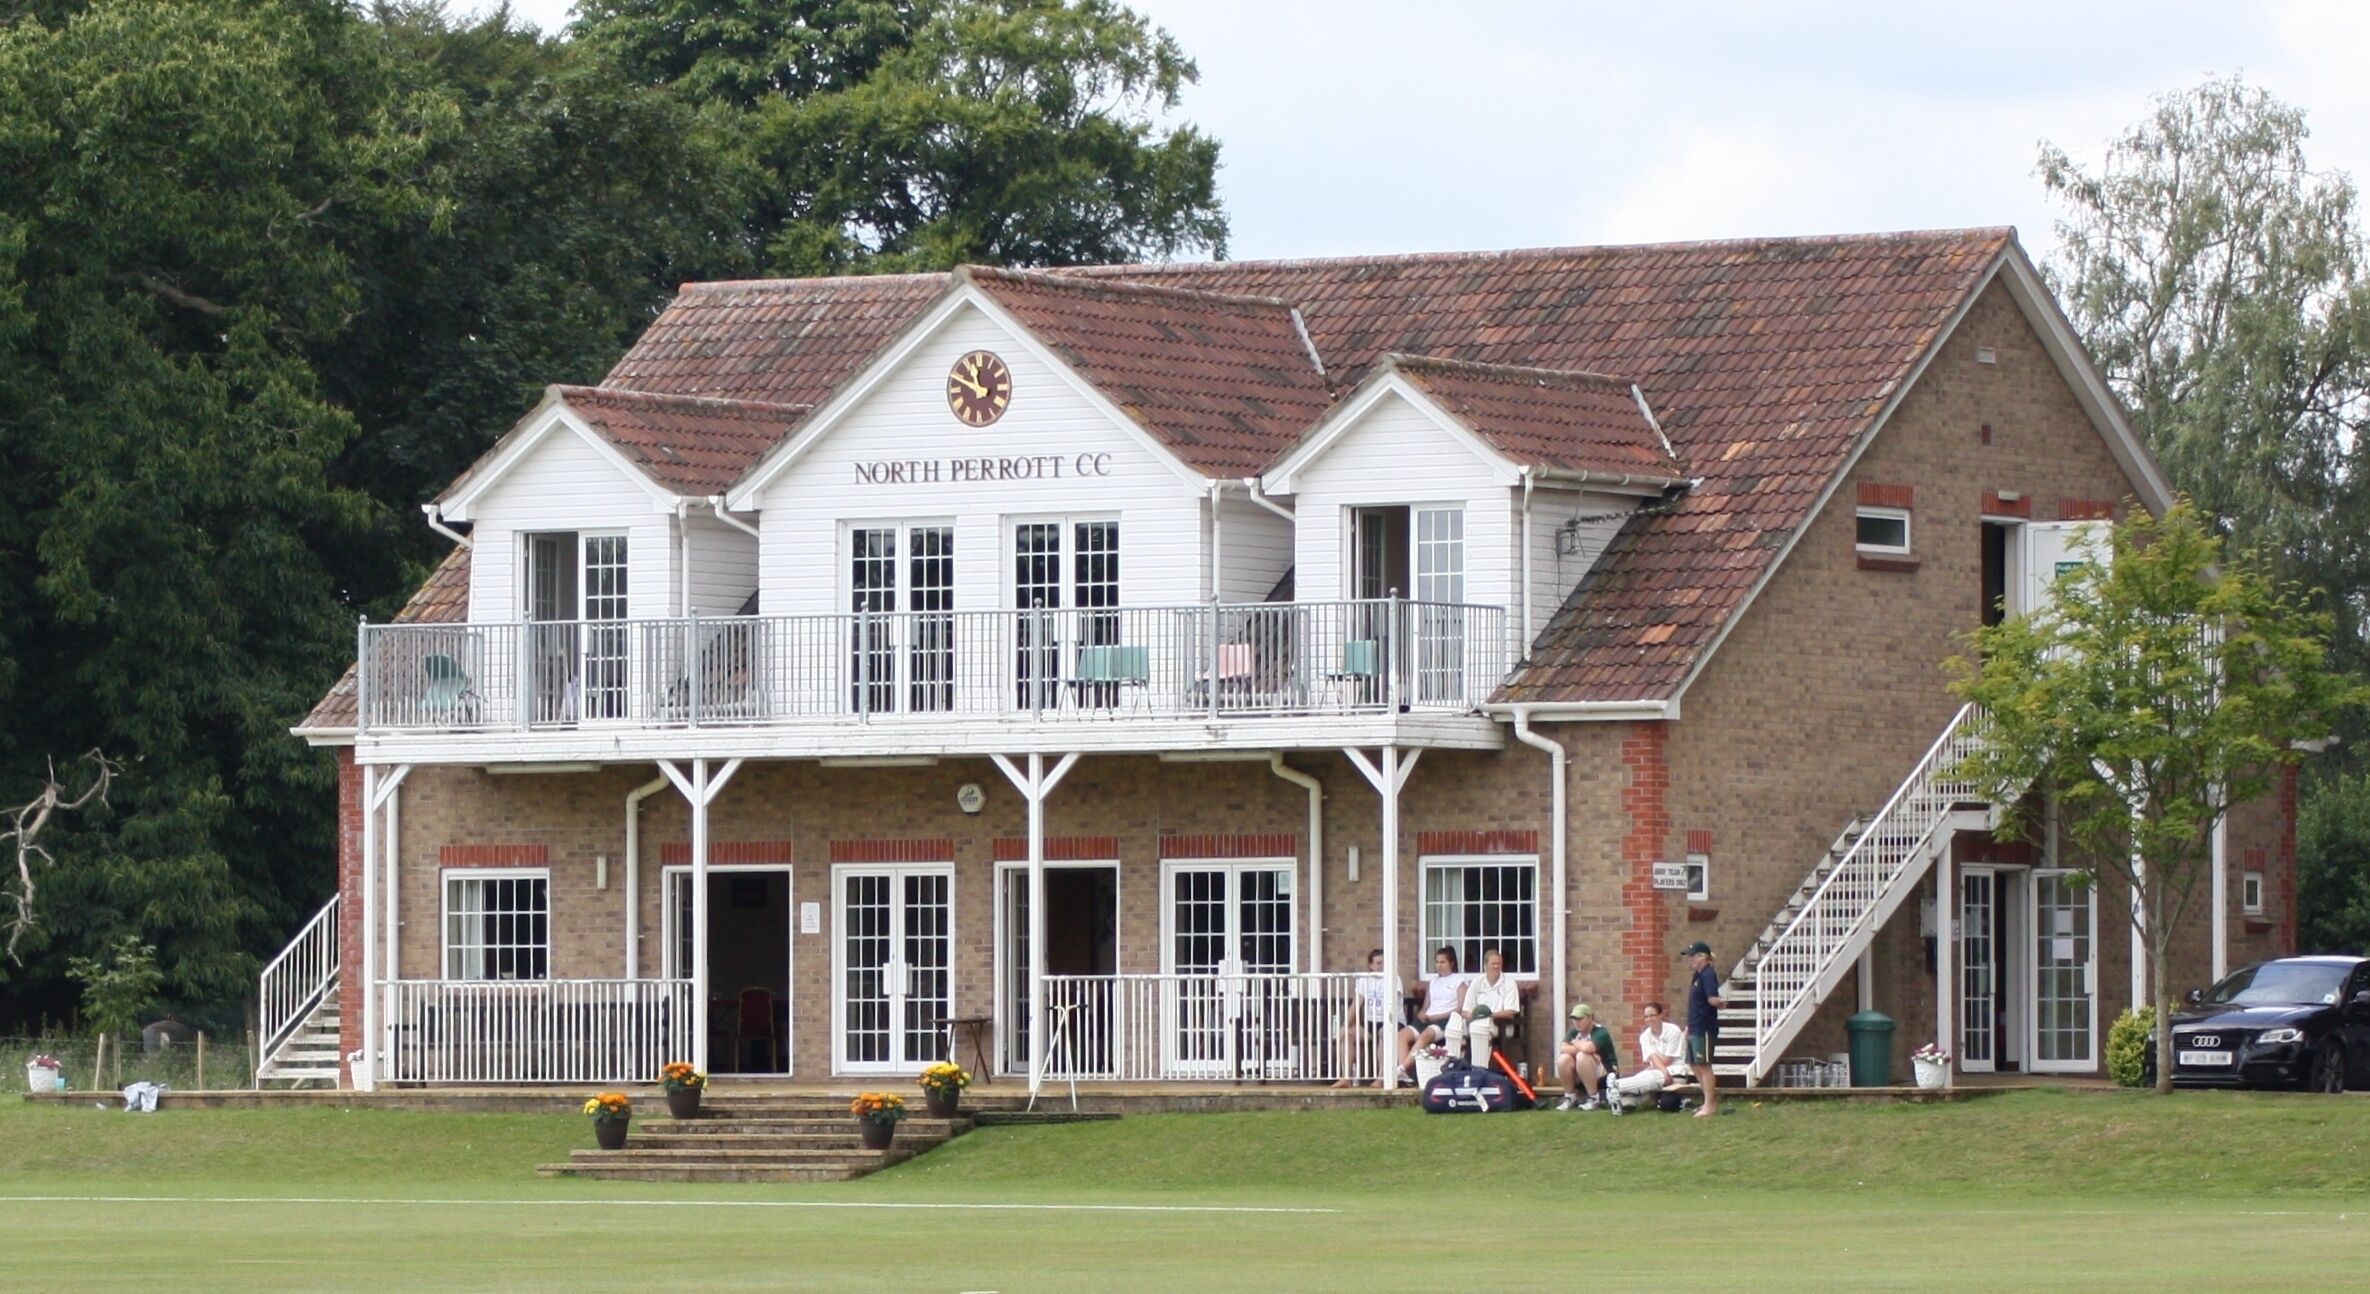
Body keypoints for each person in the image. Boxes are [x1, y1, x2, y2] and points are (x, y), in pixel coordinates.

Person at [1333, 948, 1404, 1088]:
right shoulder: (1365, 980)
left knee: (1385, 1033)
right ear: (1371, 966)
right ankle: (1346, 1077)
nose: (1382, 966)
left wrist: (1387, 1025)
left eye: (1384, 962)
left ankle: (1381, 1077)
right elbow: (1355, 1005)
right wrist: (1344, 1026)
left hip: (1392, 1021)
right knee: (1348, 1034)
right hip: (1370, 1023)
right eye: (1378, 963)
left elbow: (1394, 1005)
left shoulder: (1394, 978)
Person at [1607, 1001, 1688, 1114]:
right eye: (1646, 1016)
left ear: (1660, 1015)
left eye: (1652, 1015)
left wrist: (1662, 1071)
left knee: (1648, 1079)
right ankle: (1624, 1103)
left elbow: (1668, 1060)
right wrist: (1660, 1070)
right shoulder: (1644, 1036)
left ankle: (1617, 1086)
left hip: (1676, 1072)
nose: (1649, 1019)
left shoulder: (1673, 1030)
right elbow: (1652, 1057)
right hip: (1659, 1071)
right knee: (1644, 1082)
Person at [1397, 946, 1468, 1076]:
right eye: (1437, 962)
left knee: (1426, 1035)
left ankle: (1402, 1068)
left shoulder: (1459, 981)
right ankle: (1404, 1072)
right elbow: (1426, 1006)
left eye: (1443, 962)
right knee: (1401, 1035)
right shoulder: (1433, 982)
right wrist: (1422, 1014)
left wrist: (1437, 1016)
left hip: (1446, 1020)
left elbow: (1460, 1008)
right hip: (1429, 1018)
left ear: (1451, 963)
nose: (1439, 965)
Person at [1453, 947, 1521, 1064]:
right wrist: (1473, 1016)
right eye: (1493, 963)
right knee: (1453, 1028)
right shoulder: (1477, 982)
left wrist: (1488, 1015)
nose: (1496, 966)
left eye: (1499, 964)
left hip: (1500, 1025)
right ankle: (1455, 1068)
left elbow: (1511, 1011)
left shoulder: (1509, 983)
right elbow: (1466, 1010)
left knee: (1479, 1027)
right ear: (1485, 965)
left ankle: (1479, 1070)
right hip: (1475, 1022)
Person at [1683, 940, 1725, 1117]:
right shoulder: (1697, 976)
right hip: (1694, 1026)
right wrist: (1688, 1027)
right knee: (1694, 1065)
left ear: (1702, 956)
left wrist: (1720, 1002)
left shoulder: (1708, 974)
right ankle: (1708, 1101)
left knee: (1704, 1065)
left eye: (1692, 956)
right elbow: (1695, 1004)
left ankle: (1710, 1105)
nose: (1690, 960)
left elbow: (1711, 998)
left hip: (1704, 1027)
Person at [1553, 1003, 1619, 1109]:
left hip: (1606, 1074)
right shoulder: (1574, 1032)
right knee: (1563, 1059)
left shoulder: (1601, 1032)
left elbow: (1587, 1048)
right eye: (1574, 1019)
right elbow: (1563, 1048)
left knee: (1582, 1056)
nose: (1576, 1022)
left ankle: (1594, 1098)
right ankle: (1570, 1097)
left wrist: (1575, 1043)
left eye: (1580, 1019)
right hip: (1582, 1071)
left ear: (1590, 1018)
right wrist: (1587, 1050)